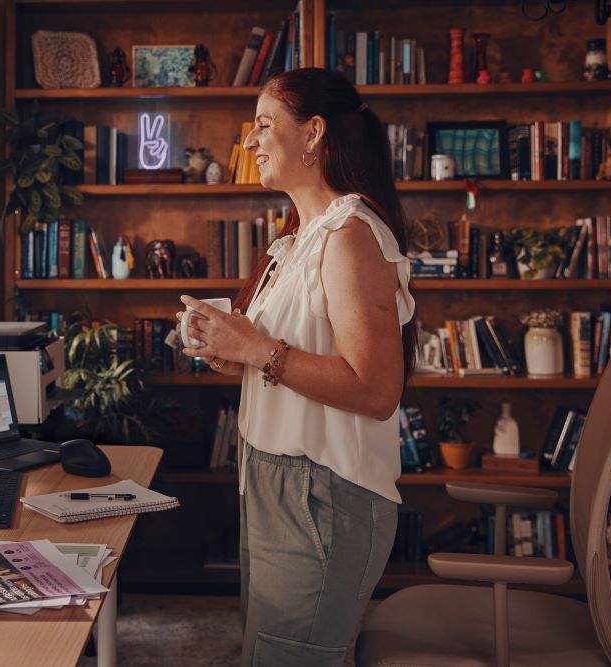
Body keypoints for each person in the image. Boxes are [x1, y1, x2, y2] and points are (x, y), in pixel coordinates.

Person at [177, 68, 416, 666]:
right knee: (269, 653)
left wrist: (258, 350)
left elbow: (378, 388)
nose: (250, 141)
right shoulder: (298, 239)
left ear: (312, 133)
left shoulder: (352, 235)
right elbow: (285, 363)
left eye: (263, 125)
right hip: (271, 480)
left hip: (321, 495)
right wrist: (230, 349)